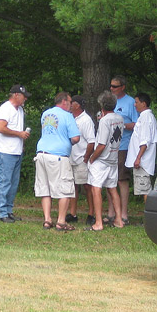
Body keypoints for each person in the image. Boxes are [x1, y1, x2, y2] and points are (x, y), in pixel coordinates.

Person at [34, 91, 81, 231]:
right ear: (64, 102)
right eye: (70, 102)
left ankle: (47, 220)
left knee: (45, 188)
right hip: (58, 156)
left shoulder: (46, 114)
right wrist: (67, 142)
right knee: (64, 189)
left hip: (41, 153)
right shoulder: (67, 116)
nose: (71, 105)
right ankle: (61, 221)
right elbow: (76, 138)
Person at [87, 90, 125, 231]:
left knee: (96, 188)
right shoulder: (120, 118)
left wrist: (92, 158)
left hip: (102, 160)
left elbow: (102, 144)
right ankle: (119, 220)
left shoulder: (104, 121)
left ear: (102, 105)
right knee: (112, 189)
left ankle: (98, 222)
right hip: (113, 158)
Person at [0, 84, 32, 223]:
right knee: (5, 182)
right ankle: (1, 213)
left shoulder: (20, 110)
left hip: (16, 151)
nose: (25, 99)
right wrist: (19, 134)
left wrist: (21, 143)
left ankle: (8, 211)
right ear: (16, 95)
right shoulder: (5, 108)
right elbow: (1, 128)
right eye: (24, 96)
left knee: (13, 183)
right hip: (5, 152)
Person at [109, 75, 138, 225]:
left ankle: (124, 214)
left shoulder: (130, 102)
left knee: (121, 179)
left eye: (115, 86)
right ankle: (111, 213)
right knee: (110, 179)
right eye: (111, 86)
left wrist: (121, 125)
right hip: (109, 147)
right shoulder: (109, 100)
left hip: (123, 146)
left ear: (122, 87)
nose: (112, 88)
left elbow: (136, 124)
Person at [66, 95, 96, 226]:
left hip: (81, 158)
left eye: (71, 102)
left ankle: (91, 214)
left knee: (87, 186)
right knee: (73, 186)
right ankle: (73, 213)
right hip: (71, 157)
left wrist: (86, 158)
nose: (69, 104)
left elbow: (91, 141)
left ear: (77, 105)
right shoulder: (70, 118)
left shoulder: (86, 120)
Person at [125, 92, 157, 200]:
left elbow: (145, 141)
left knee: (145, 189)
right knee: (144, 188)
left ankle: (149, 210)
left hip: (143, 162)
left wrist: (138, 158)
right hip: (142, 161)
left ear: (143, 103)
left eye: (136, 102)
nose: (134, 105)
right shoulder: (144, 117)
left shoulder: (146, 118)